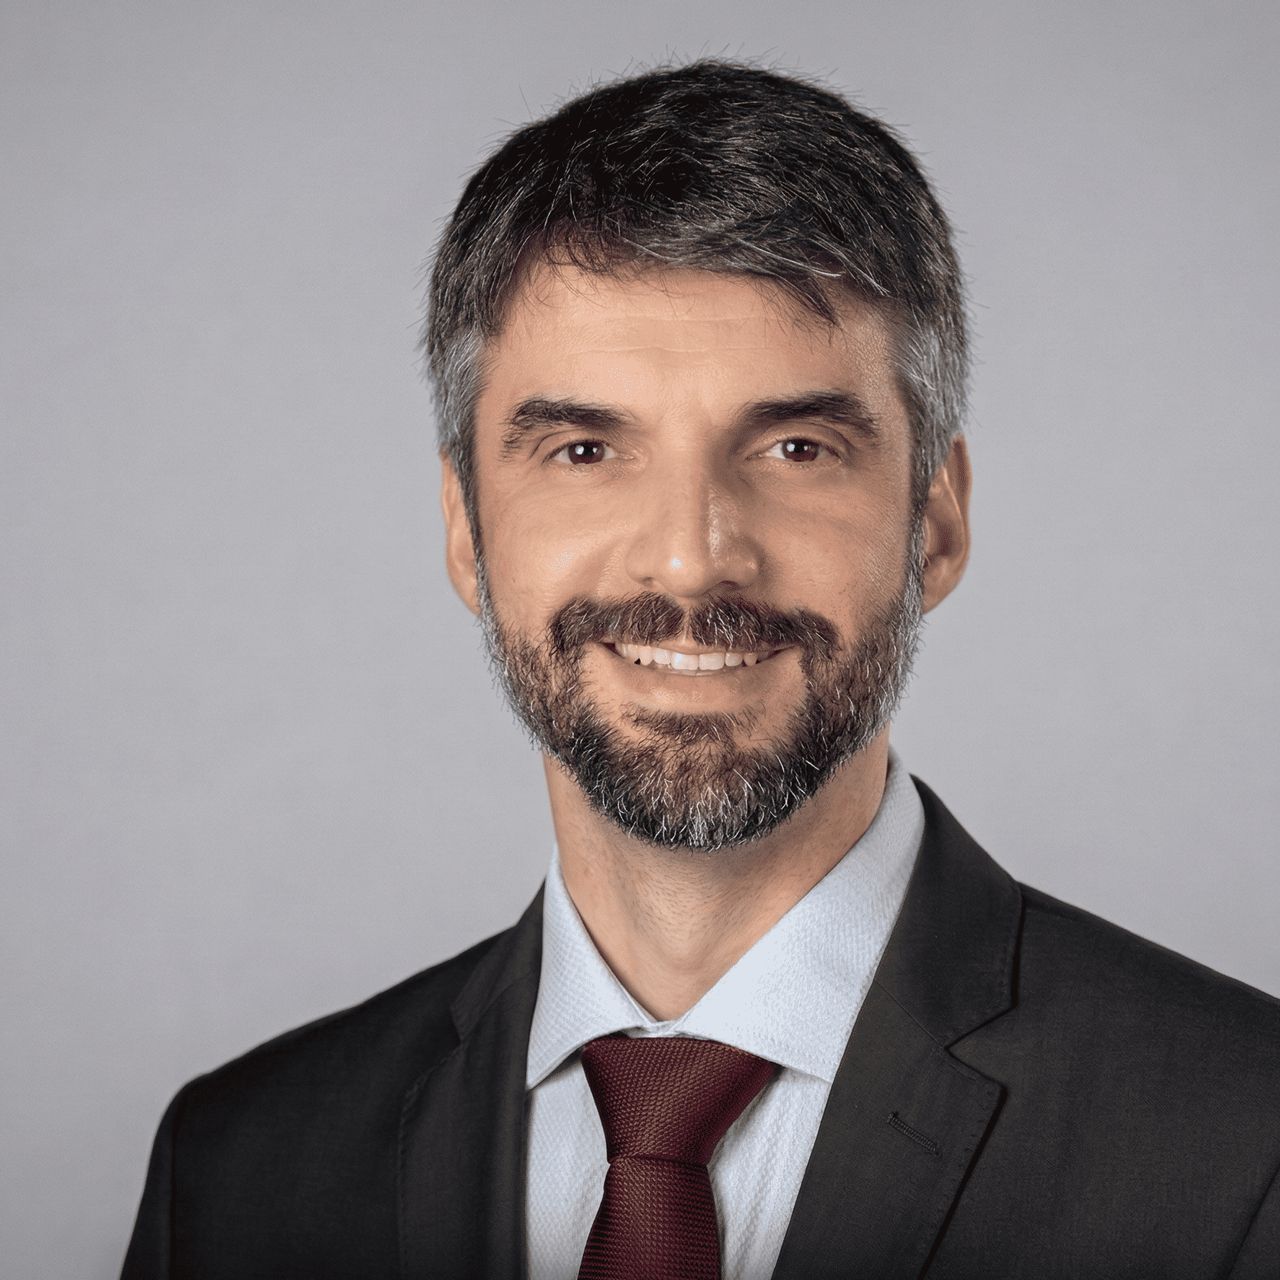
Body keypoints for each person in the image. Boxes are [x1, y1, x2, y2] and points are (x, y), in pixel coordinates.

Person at [121, 60, 1279, 1279]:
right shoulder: (241, 1168)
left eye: (794, 447)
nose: (688, 556)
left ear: (933, 521)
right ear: (466, 529)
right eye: (583, 449)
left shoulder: (1243, 1147)